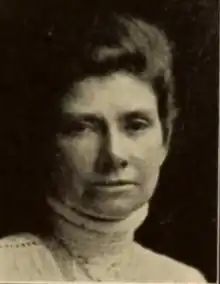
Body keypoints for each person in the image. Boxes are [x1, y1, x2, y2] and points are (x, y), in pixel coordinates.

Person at [0, 9, 207, 282]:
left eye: (135, 125)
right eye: (82, 128)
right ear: (48, 144)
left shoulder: (183, 279)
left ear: (165, 139)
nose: (114, 154)